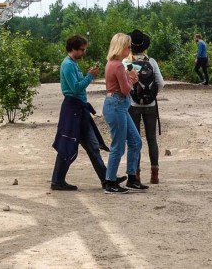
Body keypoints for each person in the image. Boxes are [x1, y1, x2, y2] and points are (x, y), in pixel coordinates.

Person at [51, 34, 123, 192]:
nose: (84, 52)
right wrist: (90, 76)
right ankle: (57, 181)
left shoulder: (73, 64)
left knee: (92, 146)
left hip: (80, 110)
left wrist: (88, 75)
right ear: (73, 49)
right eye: (82, 50)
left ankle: (107, 179)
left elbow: (78, 85)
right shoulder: (67, 65)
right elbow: (76, 88)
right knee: (67, 144)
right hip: (72, 110)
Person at [102, 33, 147, 194]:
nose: (130, 49)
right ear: (121, 47)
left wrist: (128, 78)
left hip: (115, 105)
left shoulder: (111, 63)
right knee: (119, 145)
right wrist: (132, 78)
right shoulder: (119, 66)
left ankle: (132, 178)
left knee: (135, 141)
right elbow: (125, 89)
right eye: (128, 46)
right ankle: (110, 181)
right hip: (117, 105)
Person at [127, 29, 165, 185]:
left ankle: (136, 174)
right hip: (150, 105)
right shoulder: (152, 62)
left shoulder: (127, 62)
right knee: (151, 139)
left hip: (133, 105)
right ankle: (154, 174)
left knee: (135, 140)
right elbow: (161, 83)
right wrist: (152, 94)